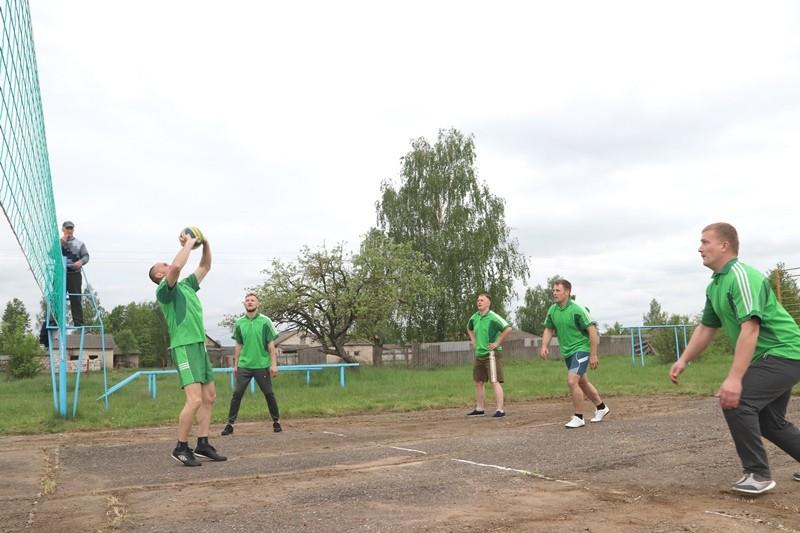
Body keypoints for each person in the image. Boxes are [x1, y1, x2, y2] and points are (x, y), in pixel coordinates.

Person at [670, 222, 800, 494]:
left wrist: (734, 378)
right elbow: (707, 328)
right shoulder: (716, 284)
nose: (700, 248)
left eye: (705, 242)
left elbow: (750, 328)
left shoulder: (742, 276)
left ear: (724, 245)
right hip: (773, 356)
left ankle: (758, 474)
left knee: (737, 401)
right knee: (770, 421)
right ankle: (758, 471)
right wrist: (684, 360)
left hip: (785, 352)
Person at [149, 230, 226, 467]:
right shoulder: (164, 289)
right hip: (183, 346)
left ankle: (202, 444)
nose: (167, 263)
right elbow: (175, 268)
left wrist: (205, 244)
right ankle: (180, 447)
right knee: (193, 401)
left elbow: (206, 266)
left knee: (209, 397)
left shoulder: (187, 286)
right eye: (162, 264)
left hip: (199, 347)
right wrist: (189, 242)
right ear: (160, 273)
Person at [540, 279, 610, 428]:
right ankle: (601, 407)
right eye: (553, 290)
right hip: (568, 352)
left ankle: (578, 417)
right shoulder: (552, 310)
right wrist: (544, 345)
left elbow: (592, 330)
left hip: (581, 348)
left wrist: (593, 354)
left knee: (572, 381)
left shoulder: (578, 309)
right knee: (582, 382)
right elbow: (548, 329)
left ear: (567, 292)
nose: (554, 293)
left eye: (557, 290)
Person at [221, 293, 282, 436]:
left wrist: (274, 365)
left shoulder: (265, 321)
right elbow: (238, 344)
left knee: (268, 393)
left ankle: (276, 421)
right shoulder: (239, 322)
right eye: (247, 300)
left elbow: (271, 345)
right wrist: (236, 365)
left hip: (261, 364)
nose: (250, 302)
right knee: (237, 394)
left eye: (252, 300)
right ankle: (230, 424)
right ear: (244, 304)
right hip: (244, 365)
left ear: (258, 304)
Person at [466, 292, 512, 418]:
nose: (479, 302)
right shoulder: (474, 317)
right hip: (479, 353)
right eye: (478, 300)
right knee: (478, 381)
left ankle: (500, 410)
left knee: (494, 381)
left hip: (491, 354)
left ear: (488, 303)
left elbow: (508, 328)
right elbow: (469, 328)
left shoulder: (493, 317)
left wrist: (497, 342)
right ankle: (480, 408)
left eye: (482, 300)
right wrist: (473, 341)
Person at [60, 221, 89, 326]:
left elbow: (86, 256)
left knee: (76, 299)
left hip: (74, 274)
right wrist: (60, 243)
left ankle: (79, 325)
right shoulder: (57, 242)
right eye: (67, 228)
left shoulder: (80, 243)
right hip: (60, 274)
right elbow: (51, 255)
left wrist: (80, 262)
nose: (69, 230)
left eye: (71, 228)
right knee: (57, 298)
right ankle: (54, 323)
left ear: (73, 230)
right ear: (63, 229)